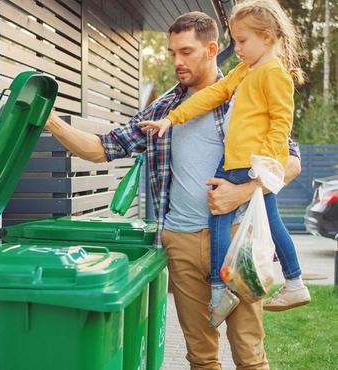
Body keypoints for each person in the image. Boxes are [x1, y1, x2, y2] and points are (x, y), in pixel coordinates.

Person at [45, 11, 301, 370]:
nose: (177, 62)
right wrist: (52, 121)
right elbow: (102, 148)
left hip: (236, 236)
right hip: (180, 241)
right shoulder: (164, 107)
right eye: (171, 53)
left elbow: (290, 162)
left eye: (186, 52)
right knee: (201, 355)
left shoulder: (246, 90)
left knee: (249, 354)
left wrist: (243, 193)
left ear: (212, 49)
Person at [139, 0, 310, 328]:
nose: (238, 48)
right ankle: (294, 282)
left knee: (218, 216)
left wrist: (268, 166)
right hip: (245, 161)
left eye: (243, 41)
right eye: (235, 40)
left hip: (247, 163)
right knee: (272, 222)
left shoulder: (274, 74)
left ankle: (220, 291)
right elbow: (214, 94)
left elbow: (281, 122)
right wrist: (172, 119)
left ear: (269, 37)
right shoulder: (246, 70)